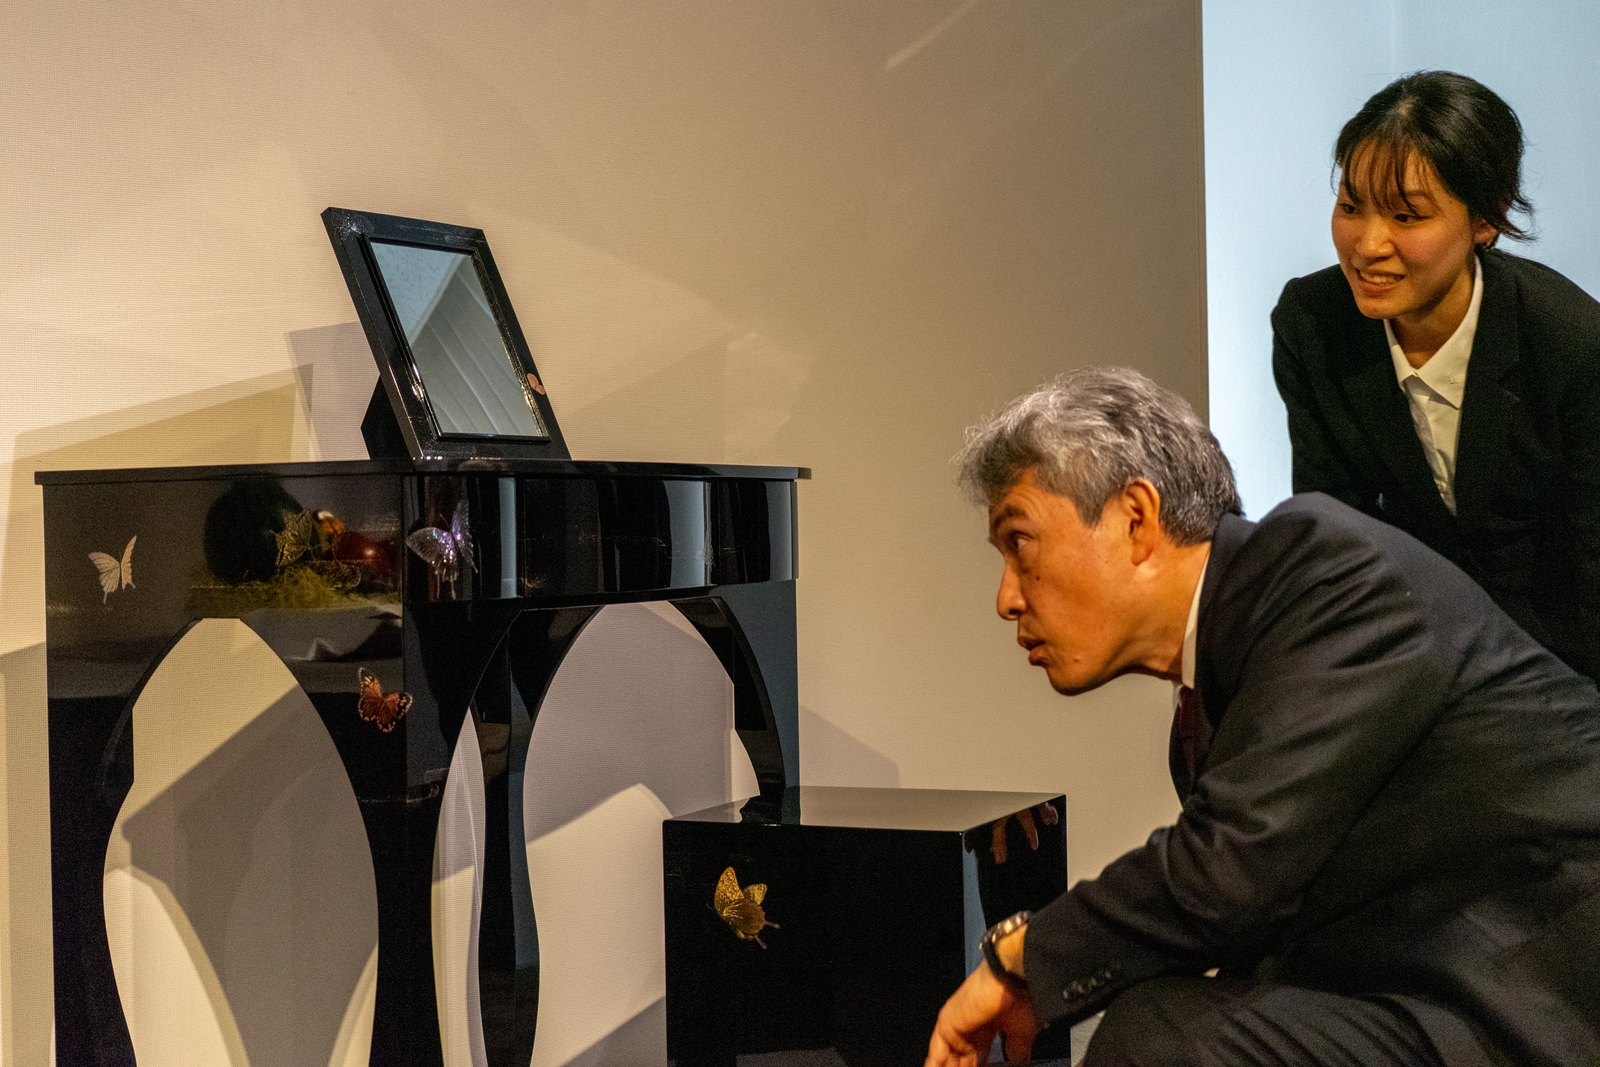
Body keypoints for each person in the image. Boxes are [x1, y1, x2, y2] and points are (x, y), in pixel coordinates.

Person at [925, 367, 1600, 1067]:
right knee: (1165, 1018)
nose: (1006, 598)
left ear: (1135, 518)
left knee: (1163, 1039)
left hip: (1548, 995)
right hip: (1440, 994)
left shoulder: (1324, 570)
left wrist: (1021, 957)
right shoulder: (1212, 699)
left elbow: (1227, 871)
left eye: (1020, 544)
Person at [1272, 70, 1600, 684]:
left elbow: (1589, 575)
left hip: (1557, 670)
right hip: (1398, 658)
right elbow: (1333, 540)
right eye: (1351, 207)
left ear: (1486, 219)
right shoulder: (1312, 322)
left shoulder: (1572, 342)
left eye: (1407, 216)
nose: (1368, 245)